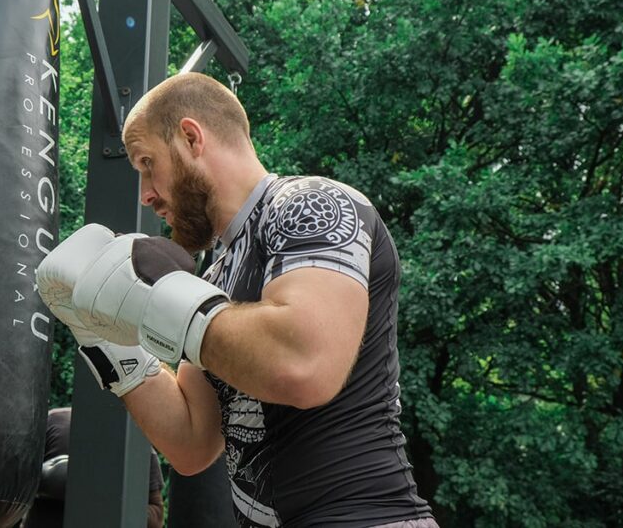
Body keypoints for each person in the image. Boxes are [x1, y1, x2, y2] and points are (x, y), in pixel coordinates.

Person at [37, 73, 437, 527]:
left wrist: (164, 299)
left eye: (148, 163)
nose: (146, 193)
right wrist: (101, 338)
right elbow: (191, 441)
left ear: (191, 137)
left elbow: (303, 364)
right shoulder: (215, 277)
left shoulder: (314, 204)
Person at [21, 407, 164, 528]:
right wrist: (45, 480)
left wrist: (110, 504)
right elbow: (10, 487)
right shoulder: (55, 422)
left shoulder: (137, 443)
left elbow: (156, 516)